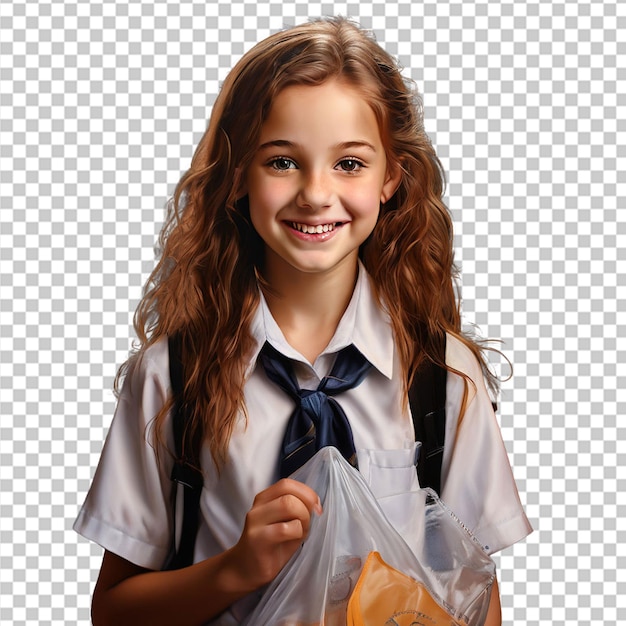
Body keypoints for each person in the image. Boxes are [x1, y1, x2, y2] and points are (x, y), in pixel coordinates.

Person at [74, 16, 531, 626]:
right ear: (238, 174)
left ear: (391, 177)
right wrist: (234, 569)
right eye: (283, 162)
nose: (316, 194)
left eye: (349, 164)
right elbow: (114, 612)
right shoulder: (171, 377)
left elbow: (477, 598)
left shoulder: (444, 376)